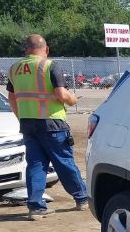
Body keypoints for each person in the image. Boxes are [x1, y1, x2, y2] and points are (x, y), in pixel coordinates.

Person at [7, 34, 88, 220]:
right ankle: (82, 198)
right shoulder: (49, 65)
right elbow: (61, 93)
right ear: (47, 49)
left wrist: (22, 117)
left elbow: (12, 97)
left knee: (35, 164)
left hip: (28, 123)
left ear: (26, 49)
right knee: (64, 162)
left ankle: (36, 207)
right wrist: (73, 99)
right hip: (52, 123)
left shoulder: (14, 69)